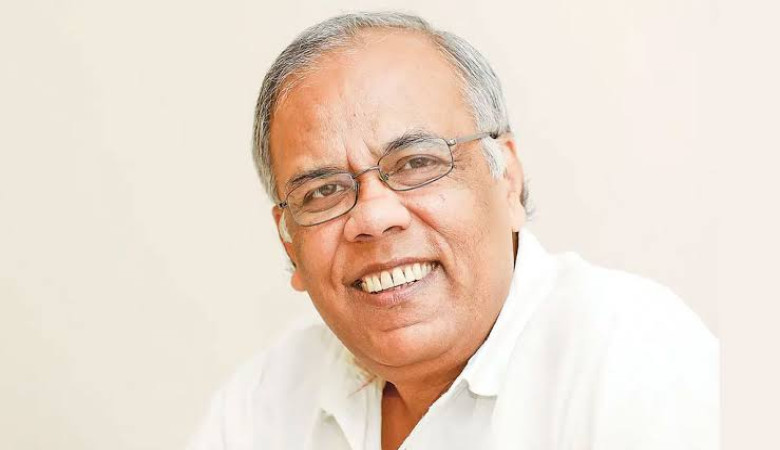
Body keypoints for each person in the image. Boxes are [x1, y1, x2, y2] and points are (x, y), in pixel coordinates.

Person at [188, 12, 718, 450]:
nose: (373, 217)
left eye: (416, 162)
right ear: (289, 242)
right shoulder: (261, 404)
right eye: (323, 191)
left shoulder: (634, 360)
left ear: (507, 180)